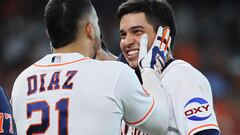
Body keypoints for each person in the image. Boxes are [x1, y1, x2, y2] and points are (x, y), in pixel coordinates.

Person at [11, 0, 170, 134]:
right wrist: (149, 70)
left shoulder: (21, 82)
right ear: (90, 29)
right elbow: (160, 124)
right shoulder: (114, 74)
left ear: (49, 33)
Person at [117, 0, 221, 134]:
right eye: (123, 35)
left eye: (137, 32)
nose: (127, 42)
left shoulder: (182, 78)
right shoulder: (134, 82)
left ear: (163, 36)